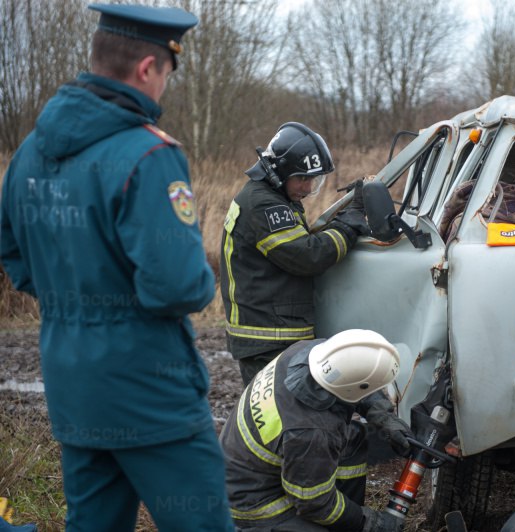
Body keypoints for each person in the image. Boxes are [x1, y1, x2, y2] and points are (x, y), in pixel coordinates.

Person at [0, 4, 233, 530]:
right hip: (150, 390)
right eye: (168, 75)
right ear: (148, 68)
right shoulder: (149, 155)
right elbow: (175, 284)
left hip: (73, 384)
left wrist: (76, 296)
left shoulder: (29, 153)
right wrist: (204, 278)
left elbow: (14, 257)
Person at [220, 123, 370, 386]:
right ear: (280, 171)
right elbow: (306, 256)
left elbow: (301, 241)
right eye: (302, 178)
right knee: (281, 417)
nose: (307, 186)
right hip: (268, 336)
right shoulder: (264, 204)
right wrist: (346, 228)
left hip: (269, 330)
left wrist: (345, 212)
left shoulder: (270, 196)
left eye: (313, 179)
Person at [219, 329, 412, 532]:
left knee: (352, 439)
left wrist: (382, 414)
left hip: (243, 467)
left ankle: (344, 520)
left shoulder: (308, 352)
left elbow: (351, 379)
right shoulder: (310, 432)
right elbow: (313, 502)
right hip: (251, 503)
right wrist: (365, 521)